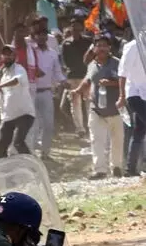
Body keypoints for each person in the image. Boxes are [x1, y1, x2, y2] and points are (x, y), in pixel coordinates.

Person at [70, 34, 123, 179]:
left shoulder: (117, 63)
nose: (102, 48)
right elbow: (87, 81)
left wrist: (110, 83)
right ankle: (100, 170)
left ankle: (117, 168)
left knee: (116, 140)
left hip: (116, 109)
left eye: (104, 45)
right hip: (96, 108)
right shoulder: (92, 65)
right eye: (98, 46)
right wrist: (77, 91)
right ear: (94, 48)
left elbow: (124, 82)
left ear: (109, 48)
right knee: (96, 139)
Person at [0, 44, 36, 158]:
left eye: (9, 54)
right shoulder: (3, 72)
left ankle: (31, 166)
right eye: (4, 54)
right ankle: (5, 172)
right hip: (9, 115)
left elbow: (16, 81)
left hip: (24, 114)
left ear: (15, 56)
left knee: (18, 143)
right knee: (0, 147)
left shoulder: (19, 69)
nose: (7, 57)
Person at [29, 27, 65, 160]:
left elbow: (57, 72)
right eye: (39, 35)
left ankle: (45, 152)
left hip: (46, 92)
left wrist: (63, 81)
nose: (42, 38)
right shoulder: (31, 52)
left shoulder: (52, 53)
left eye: (44, 35)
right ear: (35, 37)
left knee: (48, 124)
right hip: (31, 92)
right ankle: (31, 153)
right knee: (33, 124)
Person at [118, 36, 146, 176]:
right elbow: (122, 73)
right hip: (135, 94)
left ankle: (130, 169)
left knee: (139, 132)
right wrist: (122, 96)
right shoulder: (132, 46)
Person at [60, 17, 92, 137]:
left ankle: (90, 126)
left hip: (86, 76)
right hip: (72, 76)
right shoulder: (66, 43)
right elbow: (63, 61)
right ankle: (80, 129)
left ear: (82, 28)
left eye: (78, 27)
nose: (75, 29)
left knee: (89, 102)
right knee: (75, 104)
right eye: (73, 27)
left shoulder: (88, 42)